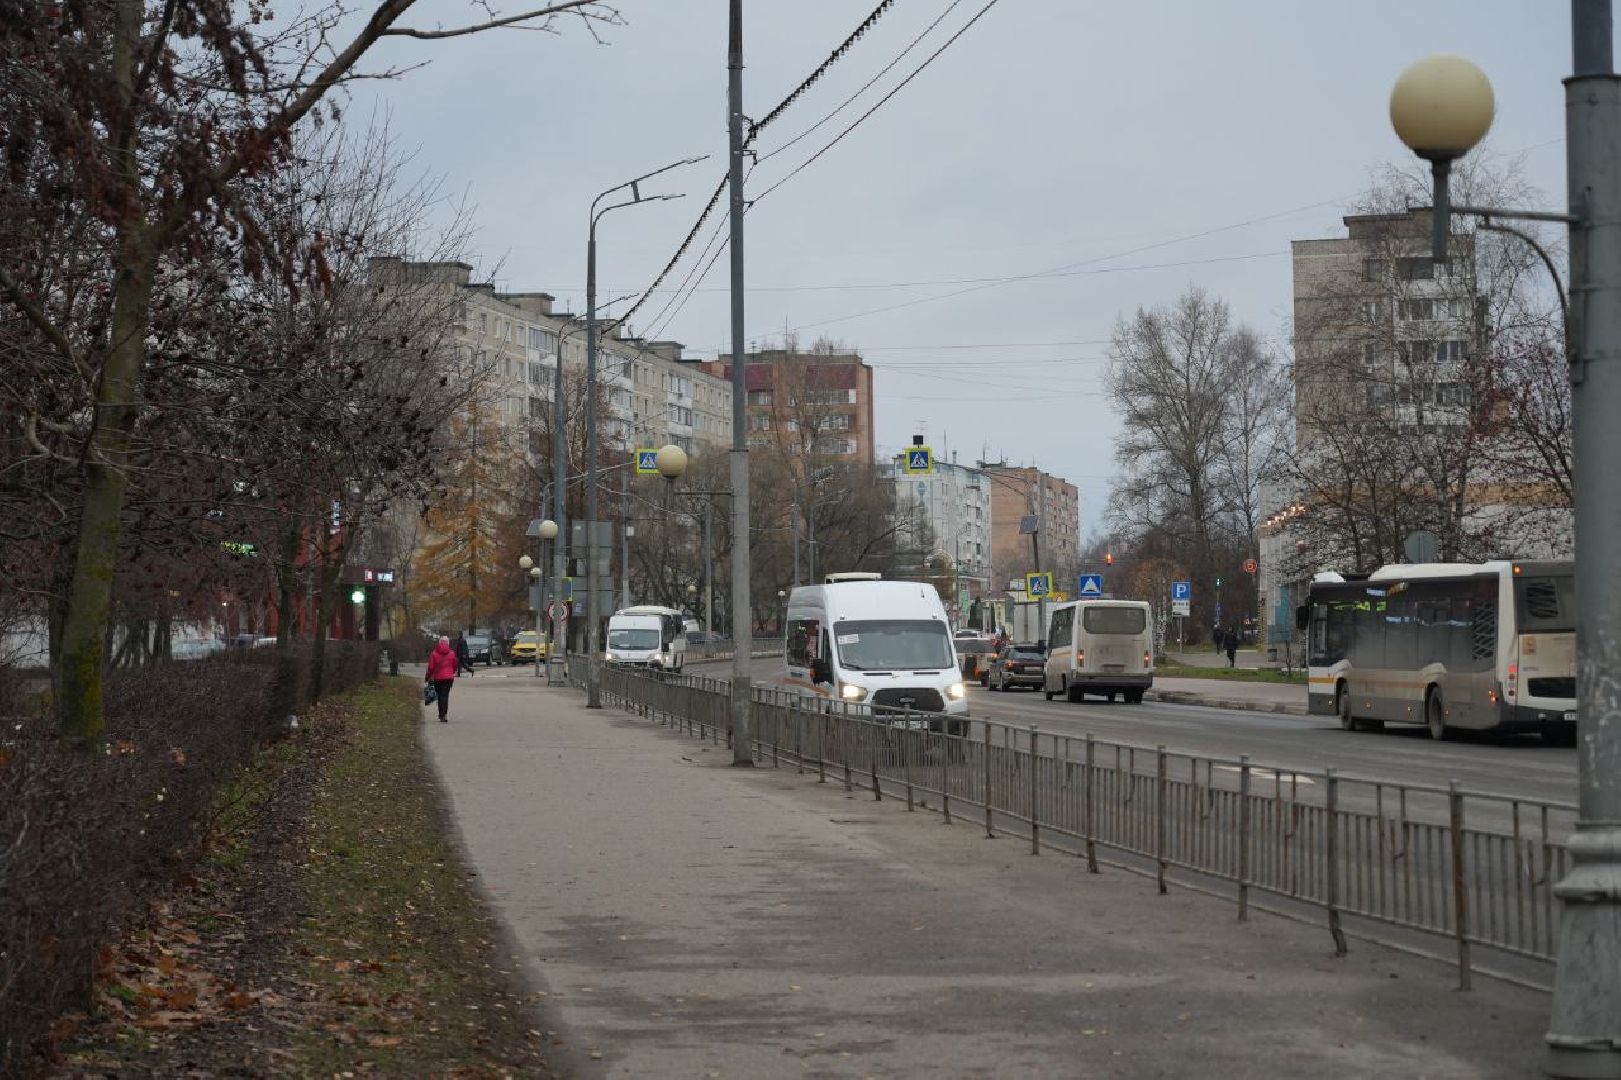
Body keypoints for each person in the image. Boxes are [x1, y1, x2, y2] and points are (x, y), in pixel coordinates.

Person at [425, 636, 459, 722]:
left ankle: (441, 714)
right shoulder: (452, 653)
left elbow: (431, 667)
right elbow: (455, 665)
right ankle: (444, 715)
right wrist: (452, 672)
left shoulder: (434, 653)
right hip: (448, 678)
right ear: (448, 643)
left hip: (437, 678)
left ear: (439, 643)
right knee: (445, 696)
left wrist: (428, 676)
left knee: (440, 696)